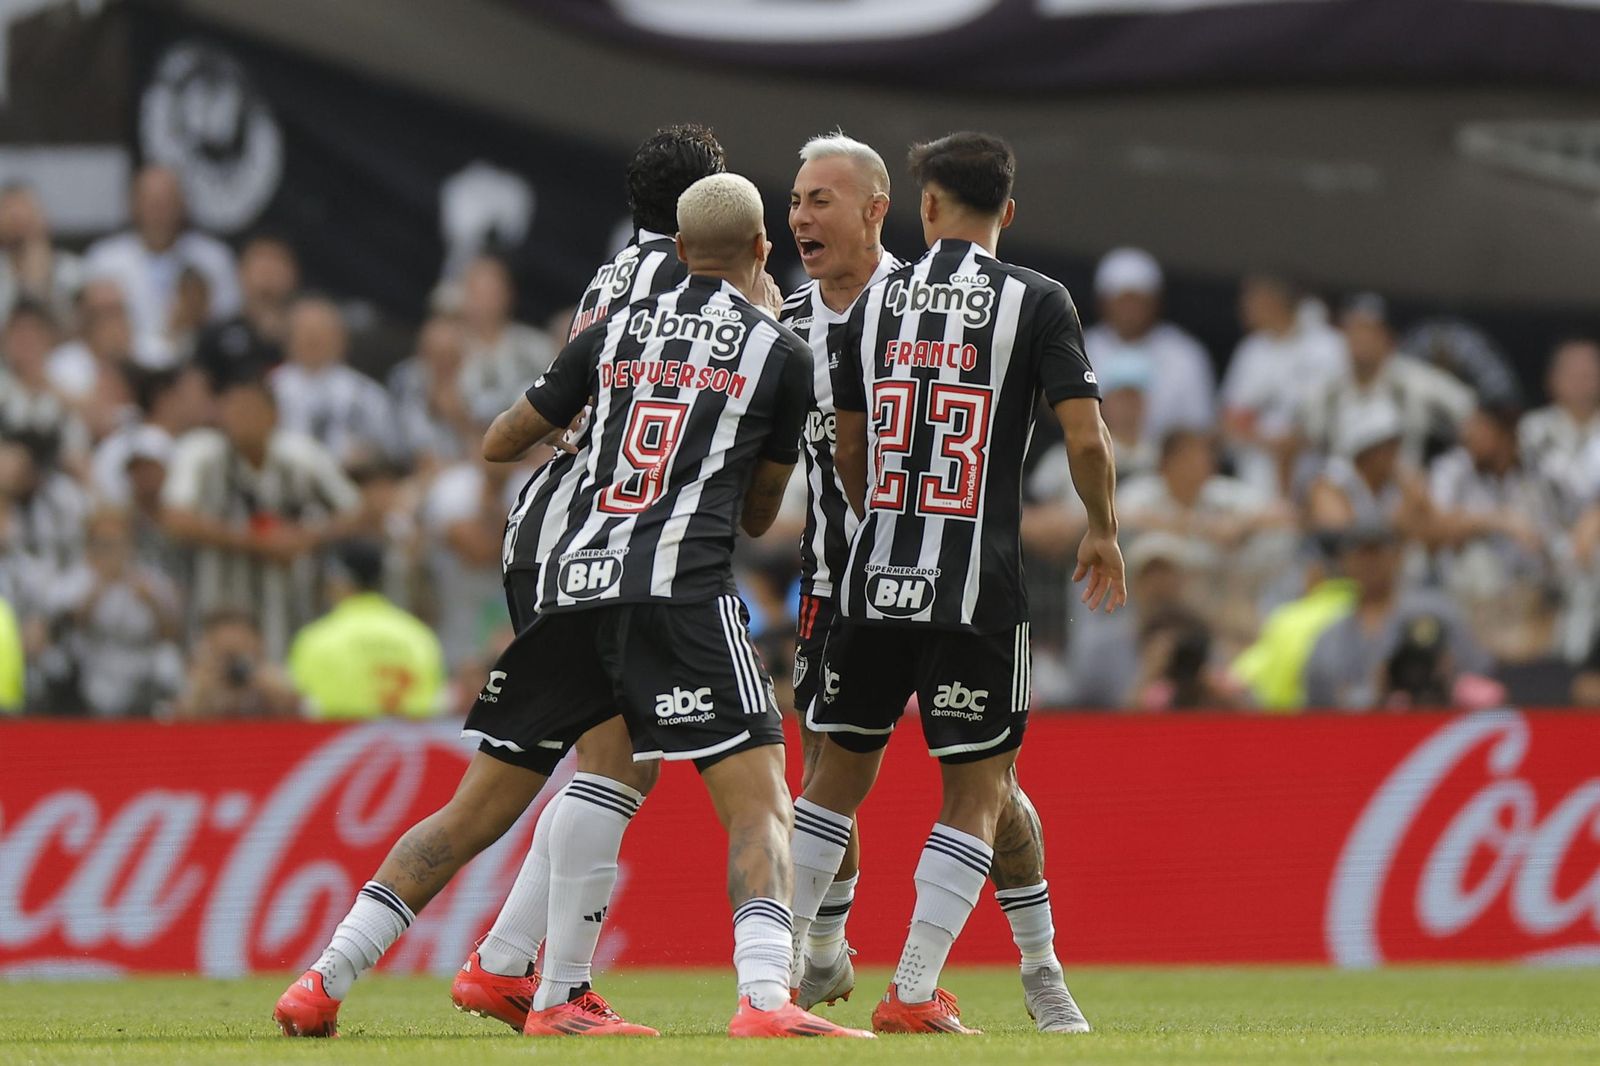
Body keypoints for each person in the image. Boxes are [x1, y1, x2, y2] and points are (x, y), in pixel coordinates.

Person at [277, 172, 868, 1040]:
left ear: (675, 249)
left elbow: (497, 439)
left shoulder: (612, 328)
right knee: (759, 801)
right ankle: (766, 1003)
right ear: (759, 251)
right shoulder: (780, 349)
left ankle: (324, 981)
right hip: (678, 590)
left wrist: (592, 432)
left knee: (476, 809)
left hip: (572, 583)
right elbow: (755, 513)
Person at [793, 131, 1121, 1035]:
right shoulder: (1039, 300)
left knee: (831, 784)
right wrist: (1101, 530)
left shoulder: (872, 304)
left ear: (924, 207)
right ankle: (910, 991)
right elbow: (1088, 441)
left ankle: (777, 978)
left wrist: (886, 522)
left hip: (871, 576)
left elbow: (849, 448)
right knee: (979, 793)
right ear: (1006, 213)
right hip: (977, 586)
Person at [449, 122, 726, 1033]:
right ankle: (556, 988)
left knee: (622, 762)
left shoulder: (614, 275)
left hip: (561, 527)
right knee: (616, 759)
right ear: (703, 206)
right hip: (596, 539)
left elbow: (556, 407)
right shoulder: (685, 284)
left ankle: (505, 962)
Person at [160, 377, 363, 660]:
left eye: (251, 411)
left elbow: (356, 511)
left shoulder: (300, 457)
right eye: (233, 411)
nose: (241, 420)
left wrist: (306, 537)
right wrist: (254, 542)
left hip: (293, 607)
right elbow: (175, 519)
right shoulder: (201, 454)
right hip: (222, 609)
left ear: (274, 415)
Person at [1302, 523, 1489, 710]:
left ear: (1397, 557)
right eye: (1361, 555)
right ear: (1345, 561)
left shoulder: (1436, 612)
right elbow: (1317, 707)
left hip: (1435, 724)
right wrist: (1374, 693)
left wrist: (1448, 680)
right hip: (1358, 732)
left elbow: (1481, 679)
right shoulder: (1330, 638)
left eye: (1378, 553)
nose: (1370, 563)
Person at [1296, 293, 1474, 472]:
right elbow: (1307, 442)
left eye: (1369, 331)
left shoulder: (1416, 382)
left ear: (1388, 337)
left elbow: (1468, 409)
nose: (1360, 339)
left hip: (1399, 489)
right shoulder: (1328, 392)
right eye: (1353, 330)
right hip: (1341, 488)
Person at [83, 165, 240, 364]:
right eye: (151, 202)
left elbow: (227, 325)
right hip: (125, 368)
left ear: (183, 204)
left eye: (167, 202)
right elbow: (94, 331)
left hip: (197, 367)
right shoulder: (104, 260)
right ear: (133, 205)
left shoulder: (214, 258)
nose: (159, 212)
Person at [287, 539, 446, 720]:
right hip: (411, 746)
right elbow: (436, 705)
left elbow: (300, 706)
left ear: (337, 579)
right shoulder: (419, 637)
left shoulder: (316, 639)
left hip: (340, 744)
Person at [1220, 272, 1346, 496]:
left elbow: (1336, 414)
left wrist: (1293, 441)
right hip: (1253, 475)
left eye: (1253, 300)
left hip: (1317, 474)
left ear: (1274, 301)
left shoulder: (1328, 346)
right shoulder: (1250, 350)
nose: (1244, 307)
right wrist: (1269, 441)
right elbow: (1230, 418)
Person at [1083, 246, 1215, 446]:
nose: (1130, 310)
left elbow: (1200, 428)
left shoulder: (1185, 353)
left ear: (1155, 302)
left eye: (1138, 301)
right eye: (1122, 300)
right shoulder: (1080, 347)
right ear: (1103, 302)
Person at [270, 295, 401, 468]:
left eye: (321, 333)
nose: (313, 340)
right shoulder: (268, 389)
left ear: (341, 339)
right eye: (305, 332)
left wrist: (371, 456)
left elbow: (392, 452)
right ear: (288, 339)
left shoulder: (367, 394)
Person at [455, 254, 555, 427]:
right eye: (476, 291)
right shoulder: (448, 351)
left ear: (509, 293)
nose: (483, 300)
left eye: (491, 290)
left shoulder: (537, 347)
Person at [194, 234, 299, 388]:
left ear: (292, 273)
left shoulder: (307, 335)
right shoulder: (215, 335)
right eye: (259, 262)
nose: (267, 271)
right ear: (240, 272)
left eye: (276, 262)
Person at [1519, 338, 1600, 524]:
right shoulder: (1531, 430)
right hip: (1543, 534)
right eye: (1573, 374)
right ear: (1552, 379)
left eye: (1588, 374)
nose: (1581, 382)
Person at [172, 609, 300, 719]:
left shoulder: (273, 679)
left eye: (239, 652)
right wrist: (202, 692)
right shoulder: (196, 681)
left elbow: (299, 714)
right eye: (224, 653)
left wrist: (264, 683)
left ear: (258, 644)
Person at [0, 183, 83, 327]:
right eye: (10, 213)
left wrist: (41, 280)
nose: (18, 220)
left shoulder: (73, 271)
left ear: (43, 217)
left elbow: (77, 328)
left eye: (25, 211)